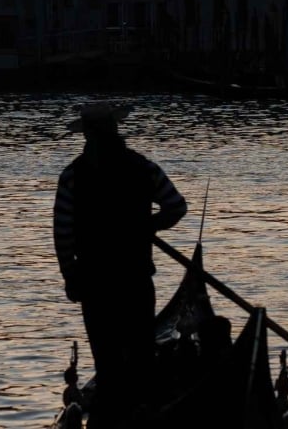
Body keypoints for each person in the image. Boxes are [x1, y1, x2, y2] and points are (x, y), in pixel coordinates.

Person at [54, 102, 187, 426]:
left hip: (95, 283)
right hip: (134, 278)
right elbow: (175, 206)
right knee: (141, 355)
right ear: (115, 130)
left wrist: (72, 278)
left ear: (86, 135)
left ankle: (112, 414)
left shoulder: (73, 175)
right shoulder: (143, 167)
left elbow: (63, 236)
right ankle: (141, 411)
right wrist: (149, 225)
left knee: (108, 360)